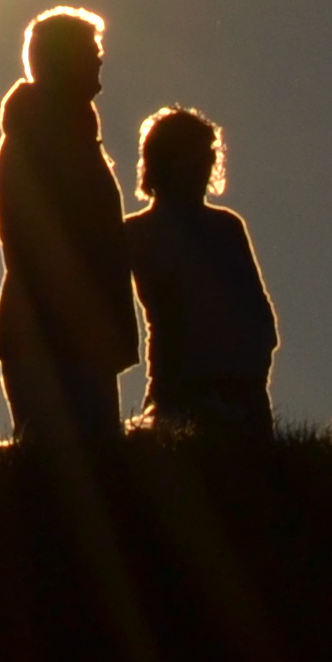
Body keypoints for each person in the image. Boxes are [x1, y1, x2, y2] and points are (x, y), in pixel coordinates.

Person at [0, 9, 138, 456]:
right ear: (63, 60)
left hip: (71, 337)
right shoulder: (46, 137)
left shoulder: (65, 133)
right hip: (55, 339)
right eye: (91, 53)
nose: (99, 62)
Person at [121, 107, 279, 436]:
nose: (205, 163)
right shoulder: (138, 233)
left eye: (209, 153)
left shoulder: (227, 226)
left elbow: (257, 311)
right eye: (193, 154)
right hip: (182, 388)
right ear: (166, 160)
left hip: (241, 389)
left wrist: (253, 368)